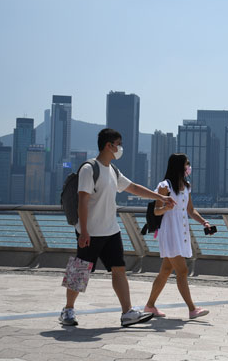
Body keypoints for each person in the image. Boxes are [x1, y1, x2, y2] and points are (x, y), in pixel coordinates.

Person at [59, 128, 177, 327]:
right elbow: (82, 200)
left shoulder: (113, 170)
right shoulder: (90, 168)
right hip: (91, 231)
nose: (120, 148)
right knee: (80, 270)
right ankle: (68, 310)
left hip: (111, 230)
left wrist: (160, 197)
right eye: (118, 143)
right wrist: (84, 231)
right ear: (109, 145)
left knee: (119, 269)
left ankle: (127, 313)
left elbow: (133, 188)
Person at [144, 153, 212, 319]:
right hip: (169, 232)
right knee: (182, 270)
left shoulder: (186, 186)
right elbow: (156, 210)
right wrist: (166, 208)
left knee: (166, 270)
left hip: (181, 231)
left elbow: (190, 210)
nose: (188, 168)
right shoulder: (164, 186)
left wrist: (203, 222)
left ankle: (150, 305)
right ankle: (192, 309)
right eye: (186, 165)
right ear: (179, 166)